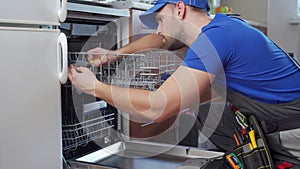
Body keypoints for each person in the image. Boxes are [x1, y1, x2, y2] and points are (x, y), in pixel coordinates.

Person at [68, 0, 300, 167]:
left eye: (160, 19)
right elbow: (162, 40)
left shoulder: (215, 38)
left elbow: (156, 108)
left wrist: (94, 87)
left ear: (180, 8)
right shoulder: (223, 27)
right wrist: (115, 53)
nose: (157, 30)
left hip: (293, 137)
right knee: (201, 104)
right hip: (277, 119)